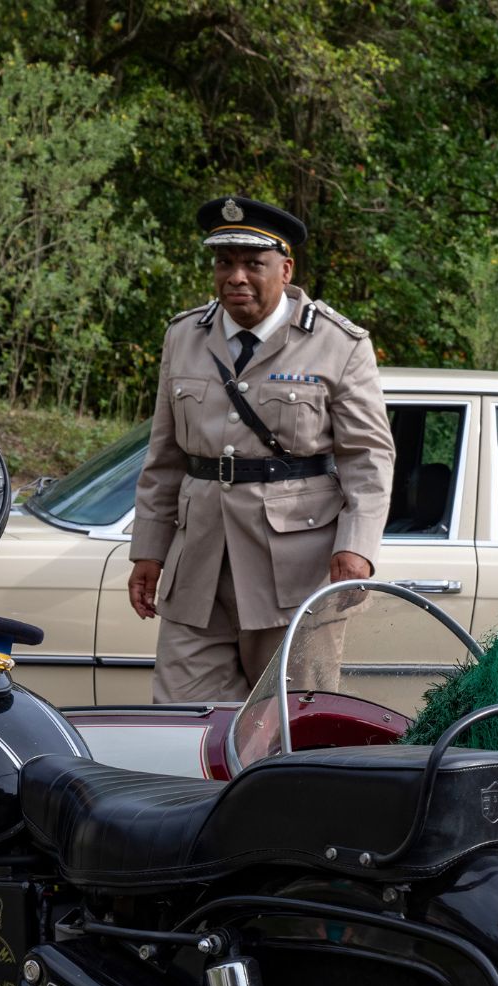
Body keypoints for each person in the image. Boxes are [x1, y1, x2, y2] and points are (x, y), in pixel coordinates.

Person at [127, 196, 394, 703]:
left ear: (285, 268)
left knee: (291, 729)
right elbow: (164, 459)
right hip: (197, 569)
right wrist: (148, 550)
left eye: (253, 263)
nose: (236, 277)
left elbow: (368, 458)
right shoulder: (184, 336)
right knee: (185, 721)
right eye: (224, 263)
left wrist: (356, 547)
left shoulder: (338, 343)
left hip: (294, 577)